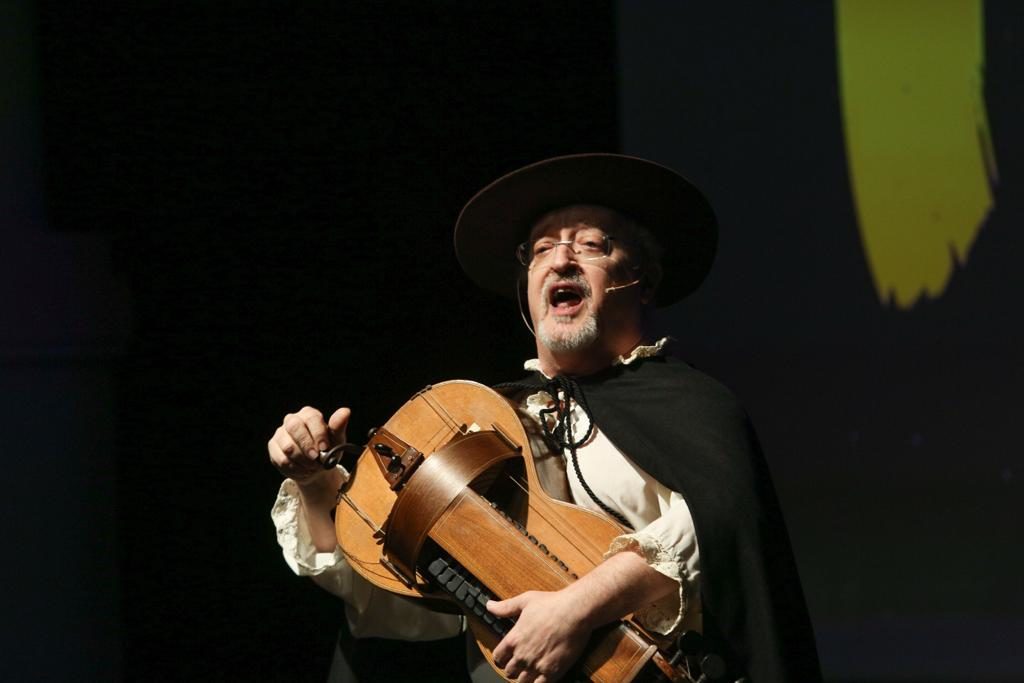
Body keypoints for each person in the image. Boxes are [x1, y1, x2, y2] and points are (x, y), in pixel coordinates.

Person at [268, 154, 821, 682]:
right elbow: (394, 603)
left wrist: (575, 610)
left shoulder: (693, 406)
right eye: (541, 249)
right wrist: (316, 485)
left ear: (641, 280)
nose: (560, 260)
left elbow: (717, 527)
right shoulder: (487, 423)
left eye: (591, 245)